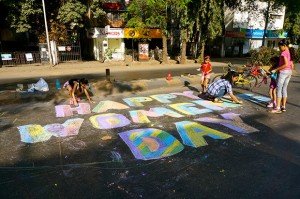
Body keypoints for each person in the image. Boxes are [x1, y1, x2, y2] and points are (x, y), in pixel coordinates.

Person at [270, 39, 293, 113]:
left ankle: (278, 108)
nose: (279, 49)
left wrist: (276, 69)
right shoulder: (289, 52)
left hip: (283, 72)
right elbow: (290, 63)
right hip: (289, 72)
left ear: (284, 46)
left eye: (280, 47)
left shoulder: (283, 53)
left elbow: (285, 64)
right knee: (284, 89)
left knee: (279, 89)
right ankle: (283, 107)